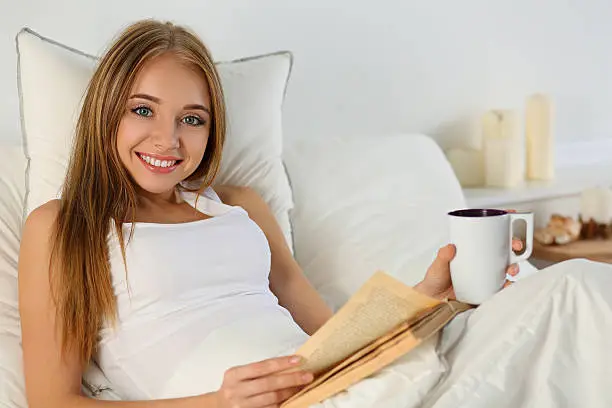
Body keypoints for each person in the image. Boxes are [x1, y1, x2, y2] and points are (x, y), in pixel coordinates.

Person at [18, 20, 524, 408]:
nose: (167, 140)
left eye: (191, 119)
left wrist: (426, 298)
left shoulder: (239, 206)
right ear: (106, 110)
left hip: (331, 384)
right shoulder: (63, 226)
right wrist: (218, 402)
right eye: (142, 110)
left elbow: (333, 335)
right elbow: (52, 402)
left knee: (570, 293)